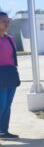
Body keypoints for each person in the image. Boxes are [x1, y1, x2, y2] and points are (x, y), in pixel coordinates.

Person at [0, 12, 20, 140]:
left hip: (10, 75)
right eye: (3, 21)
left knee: (7, 105)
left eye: (8, 21)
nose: (7, 23)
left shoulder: (11, 39)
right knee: (1, 105)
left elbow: (12, 59)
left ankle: (3, 131)